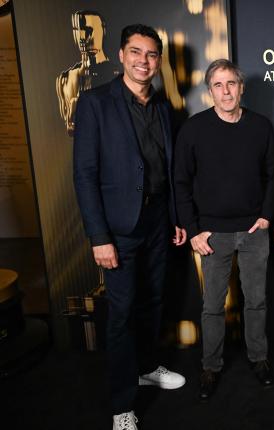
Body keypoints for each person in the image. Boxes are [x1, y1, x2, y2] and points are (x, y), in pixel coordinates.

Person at [73, 24, 187, 430]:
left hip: (158, 221)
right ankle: (123, 404)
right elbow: (84, 174)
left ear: (158, 61)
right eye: (136, 52)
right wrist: (99, 237)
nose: (144, 61)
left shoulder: (160, 106)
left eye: (151, 55)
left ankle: (147, 366)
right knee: (120, 314)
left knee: (153, 300)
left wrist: (173, 217)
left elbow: (166, 168)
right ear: (121, 55)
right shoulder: (95, 103)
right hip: (119, 228)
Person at [174, 59, 274, 400]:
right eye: (218, 85)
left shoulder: (261, 127)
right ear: (210, 91)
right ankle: (211, 365)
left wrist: (265, 215)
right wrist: (193, 230)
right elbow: (181, 182)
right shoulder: (193, 129)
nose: (226, 91)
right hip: (211, 234)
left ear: (241, 87)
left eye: (231, 83)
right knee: (212, 305)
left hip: (253, 231)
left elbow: (273, 176)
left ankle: (259, 359)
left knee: (256, 301)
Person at [56, 11, 119, 135]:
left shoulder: (119, 74)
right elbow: (70, 129)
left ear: (103, 31)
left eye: (89, 30)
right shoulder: (66, 78)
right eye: (78, 30)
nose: (82, 37)